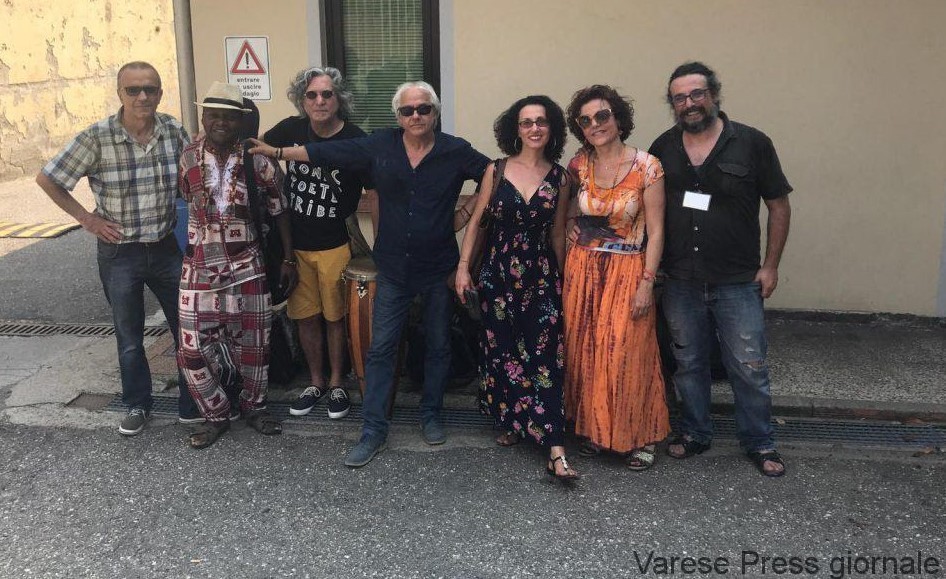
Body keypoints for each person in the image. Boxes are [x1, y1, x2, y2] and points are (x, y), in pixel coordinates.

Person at [250, 81, 489, 467]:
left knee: (439, 345)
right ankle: (373, 429)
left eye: (423, 109)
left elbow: (494, 173)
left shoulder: (455, 150)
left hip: (438, 267)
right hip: (392, 268)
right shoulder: (381, 145)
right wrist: (277, 152)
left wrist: (467, 212)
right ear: (398, 116)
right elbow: (324, 152)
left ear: (435, 113)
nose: (415, 116)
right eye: (407, 110)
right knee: (380, 350)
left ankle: (431, 414)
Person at [36, 61, 199, 436]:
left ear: (160, 93)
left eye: (150, 89)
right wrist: (87, 219)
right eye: (133, 89)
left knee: (187, 329)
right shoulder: (97, 137)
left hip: (165, 249)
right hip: (119, 254)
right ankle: (138, 404)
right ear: (119, 93)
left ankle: (191, 404)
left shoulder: (173, 130)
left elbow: (191, 179)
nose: (142, 96)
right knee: (129, 338)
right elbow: (48, 178)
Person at [649, 62, 792, 477]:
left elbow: (779, 206)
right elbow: (649, 211)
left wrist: (771, 265)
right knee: (688, 363)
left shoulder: (751, 143)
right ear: (672, 104)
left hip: (738, 280)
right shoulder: (662, 148)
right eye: (679, 97)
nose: (689, 103)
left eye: (696, 94)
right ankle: (695, 432)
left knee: (748, 366)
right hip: (680, 279)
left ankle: (760, 442)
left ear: (713, 94)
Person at [454, 96, 577, 481]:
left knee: (546, 357)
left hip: (540, 275)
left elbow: (557, 233)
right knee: (502, 351)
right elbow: (477, 223)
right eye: (526, 122)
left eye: (541, 121)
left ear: (552, 129)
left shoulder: (560, 178)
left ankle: (555, 448)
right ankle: (511, 420)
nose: (534, 128)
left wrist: (565, 280)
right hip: (498, 274)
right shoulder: (496, 170)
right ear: (516, 129)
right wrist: (463, 268)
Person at [176, 81, 296, 449]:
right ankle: (216, 414)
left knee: (254, 346)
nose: (220, 122)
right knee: (192, 349)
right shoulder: (187, 157)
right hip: (198, 267)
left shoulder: (258, 159)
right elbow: (187, 199)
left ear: (240, 121)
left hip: (248, 265)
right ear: (203, 118)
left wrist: (288, 258)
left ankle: (254, 408)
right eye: (213, 115)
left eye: (228, 117)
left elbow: (280, 210)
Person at [563, 85, 670, 470]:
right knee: (587, 351)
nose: (595, 124)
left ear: (618, 118)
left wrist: (647, 282)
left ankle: (641, 436)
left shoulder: (648, 166)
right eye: (585, 120)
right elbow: (568, 211)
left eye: (602, 115)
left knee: (627, 351)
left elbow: (656, 231)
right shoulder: (578, 165)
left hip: (628, 270)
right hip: (582, 269)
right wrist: (571, 227)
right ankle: (596, 430)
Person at [262, 66, 374, 420]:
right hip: (296, 246)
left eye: (327, 94)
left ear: (339, 99)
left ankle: (338, 382)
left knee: (335, 318)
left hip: (336, 244)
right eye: (311, 95)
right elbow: (257, 148)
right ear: (302, 100)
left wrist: (381, 242)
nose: (320, 101)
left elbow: (375, 192)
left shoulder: (355, 138)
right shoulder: (290, 130)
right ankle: (315, 382)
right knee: (306, 317)